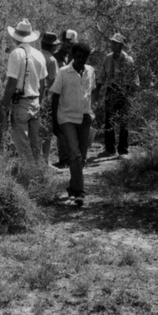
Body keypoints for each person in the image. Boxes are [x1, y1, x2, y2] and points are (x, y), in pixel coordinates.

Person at [0, 18, 50, 181]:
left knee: (22, 143)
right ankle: (40, 176)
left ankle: (31, 179)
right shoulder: (39, 55)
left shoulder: (16, 53)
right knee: (35, 144)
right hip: (35, 102)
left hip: (21, 103)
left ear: (15, 37)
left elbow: (12, 82)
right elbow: (43, 84)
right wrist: (38, 101)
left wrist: (4, 104)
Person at [50, 41, 97, 207]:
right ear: (72, 56)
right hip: (66, 117)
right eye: (78, 57)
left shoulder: (90, 71)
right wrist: (54, 121)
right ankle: (79, 192)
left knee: (81, 157)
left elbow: (91, 92)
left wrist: (92, 115)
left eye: (84, 57)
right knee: (75, 154)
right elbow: (55, 96)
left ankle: (73, 186)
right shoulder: (63, 72)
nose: (80, 60)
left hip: (84, 117)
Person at [95, 32, 140, 159]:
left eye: (115, 43)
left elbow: (134, 79)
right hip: (111, 89)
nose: (112, 45)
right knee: (109, 120)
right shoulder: (107, 58)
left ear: (121, 45)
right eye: (112, 43)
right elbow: (102, 75)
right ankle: (110, 149)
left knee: (124, 121)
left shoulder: (128, 60)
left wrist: (130, 94)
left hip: (124, 91)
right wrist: (98, 89)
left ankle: (123, 150)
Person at [50, 29, 78, 168]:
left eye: (72, 43)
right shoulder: (55, 57)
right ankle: (63, 158)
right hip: (58, 94)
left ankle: (72, 157)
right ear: (63, 41)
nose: (69, 45)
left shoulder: (74, 58)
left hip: (71, 96)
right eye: (67, 42)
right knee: (60, 126)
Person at [38, 32, 61, 169]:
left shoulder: (36, 55)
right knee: (47, 131)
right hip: (46, 98)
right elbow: (53, 82)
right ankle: (45, 162)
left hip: (34, 97)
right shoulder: (51, 60)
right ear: (53, 47)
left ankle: (37, 162)